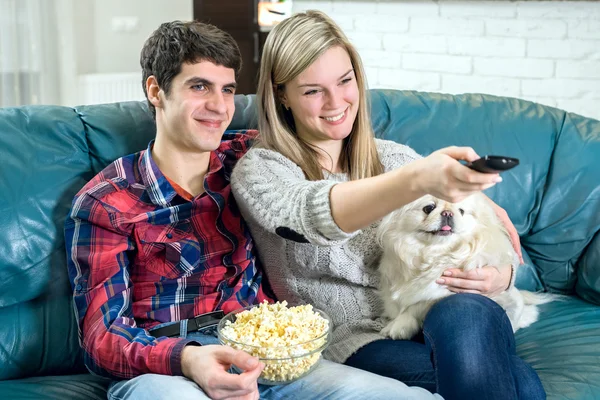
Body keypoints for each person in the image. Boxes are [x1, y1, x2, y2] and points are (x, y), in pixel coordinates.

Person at [64, 20, 442, 400]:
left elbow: (337, 162)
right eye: (199, 87)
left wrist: (460, 188)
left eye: (227, 90)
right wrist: (189, 359)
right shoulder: (107, 201)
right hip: (166, 369)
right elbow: (101, 336)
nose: (218, 106)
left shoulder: (250, 161)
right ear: (156, 91)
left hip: (268, 354)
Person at [230, 10, 545, 400]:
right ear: (281, 94)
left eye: (345, 81)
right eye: (312, 90)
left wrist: (502, 275)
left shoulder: (395, 158)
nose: (335, 102)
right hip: (360, 340)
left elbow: (484, 239)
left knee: (466, 313)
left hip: (444, 316)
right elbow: (309, 215)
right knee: (522, 386)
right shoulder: (262, 170)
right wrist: (415, 181)